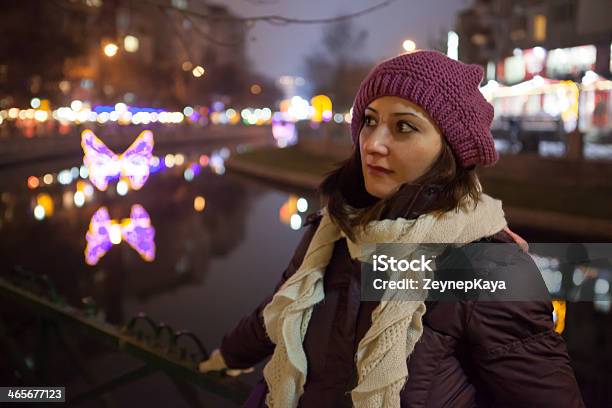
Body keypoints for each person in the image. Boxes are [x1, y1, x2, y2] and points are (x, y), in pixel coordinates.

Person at [199, 50, 584, 407]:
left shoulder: (487, 266)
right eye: (369, 121)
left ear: (448, 150)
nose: (373, 144)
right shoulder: (335, 228)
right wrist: (226, 356)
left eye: (403, 127)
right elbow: (278, 309)